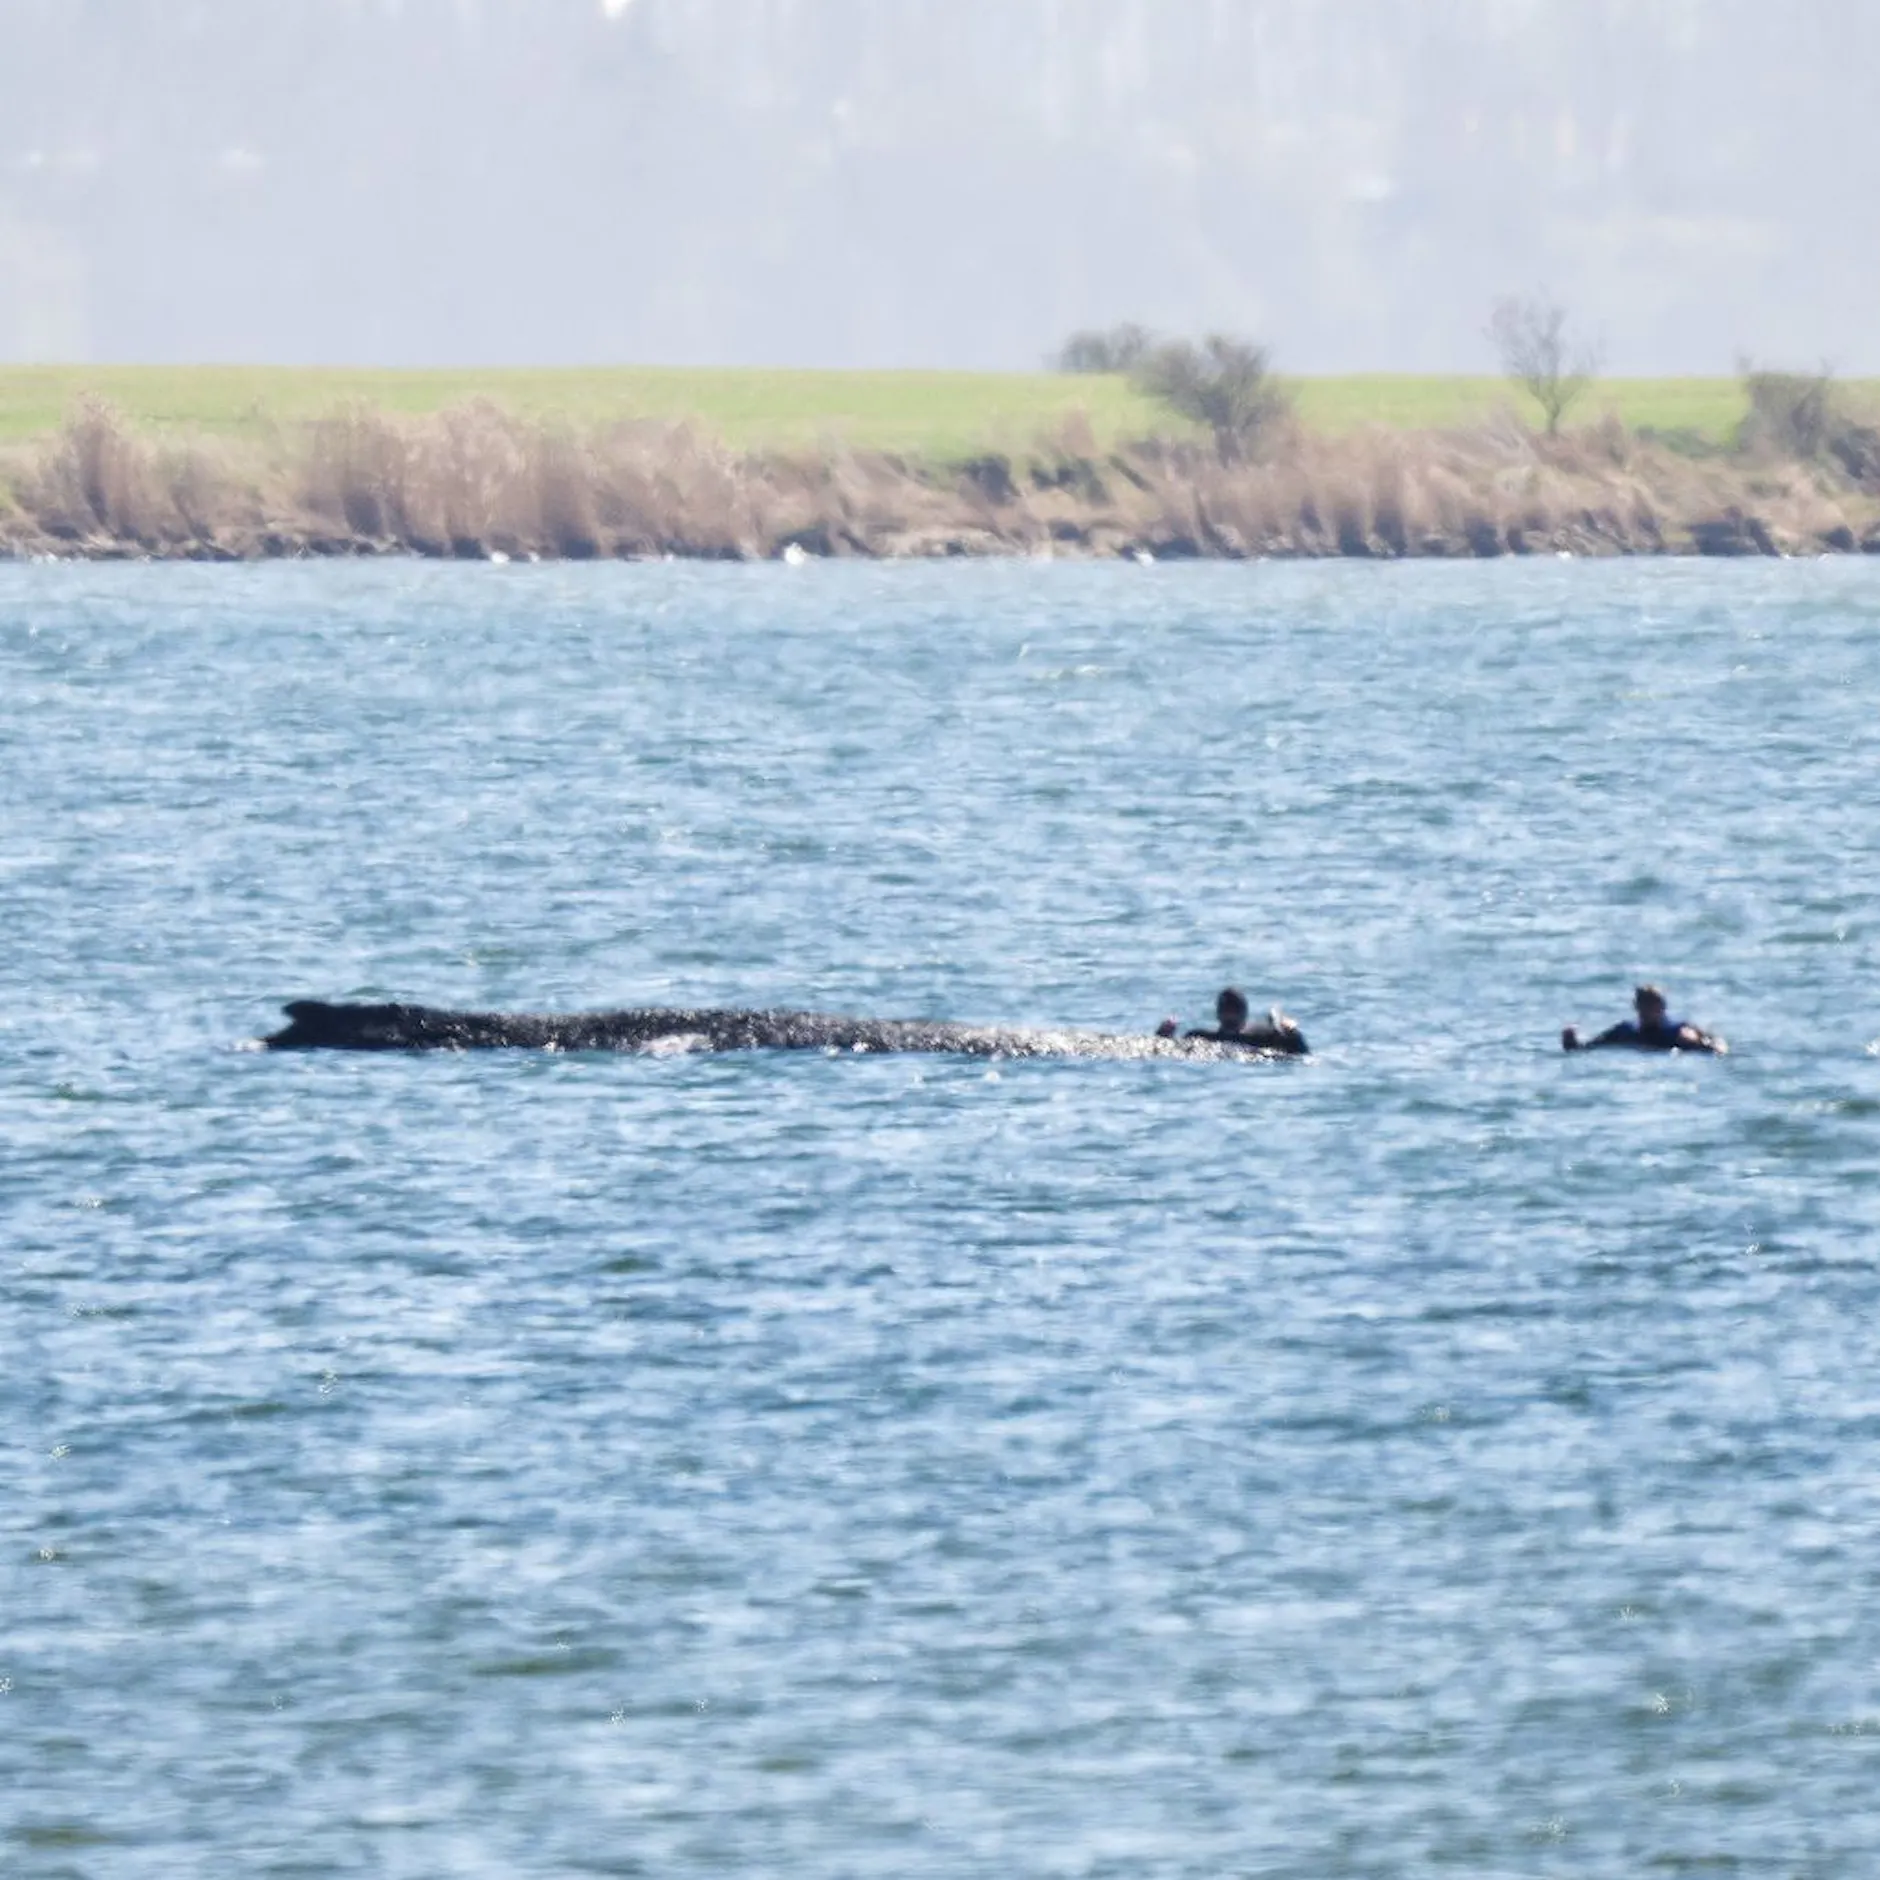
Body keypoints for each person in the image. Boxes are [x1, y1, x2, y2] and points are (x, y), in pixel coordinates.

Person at [1562, 984, 1726, 1055]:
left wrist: (1717, 1045)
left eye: (1653, 1006)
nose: (1648, 1011)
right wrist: (1570, 1041)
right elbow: (1586, 1049)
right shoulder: (1625, 1031)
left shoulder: (1678, 1032)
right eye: (1644, 1005)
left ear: (1662, 1007)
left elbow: (1712, 1049)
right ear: (1636, 1006)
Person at [1183, 987, 1308, 1055]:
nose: (1230, 1016)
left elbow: (1301, 1054)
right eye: (1226, 1011)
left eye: (1234, 1011)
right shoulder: (1200, 1037)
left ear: (1244, 1013)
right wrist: (1164, 1035)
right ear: (1218, 1014)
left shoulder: (1263, 1037)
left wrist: (1293, 1033)